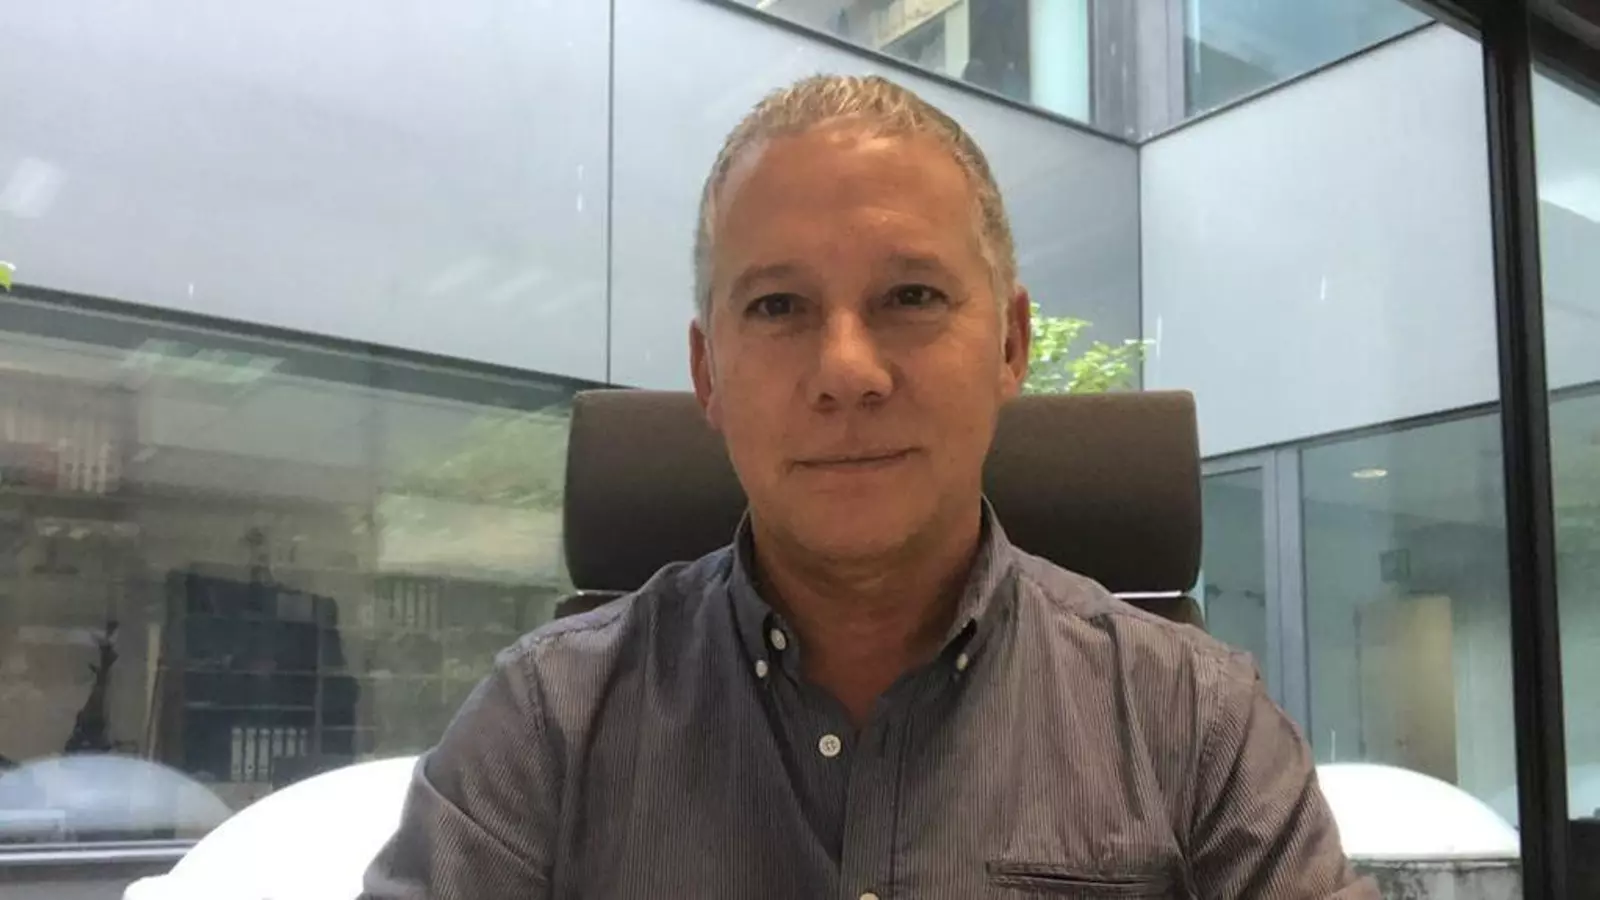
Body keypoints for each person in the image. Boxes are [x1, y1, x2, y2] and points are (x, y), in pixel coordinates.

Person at [362, 74, 1376, 899]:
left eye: (911, 295)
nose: (847, 370)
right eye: (778, 306)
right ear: (708, 373)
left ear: (1011, 344)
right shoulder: (544, 728)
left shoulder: (1195, 726)